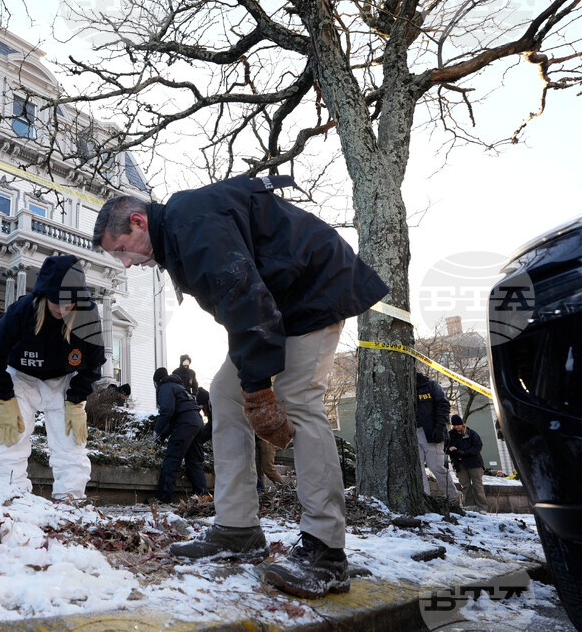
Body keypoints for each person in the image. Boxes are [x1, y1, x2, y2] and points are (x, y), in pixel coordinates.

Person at [93, 174, 388, 599]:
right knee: (226, 395)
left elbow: (243, 296)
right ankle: (237, 529)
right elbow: (240, 305)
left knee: (298, 401)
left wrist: (259, 388)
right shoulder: (177, 237)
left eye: (121, 249)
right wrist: (249, 385)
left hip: (313, 290)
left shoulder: (189, 225)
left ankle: (327, 551)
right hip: (273, 304)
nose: (124, 263)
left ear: (138, 222)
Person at [0, 255, 106, 499]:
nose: (62, 309)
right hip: (21, 379)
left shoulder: (87, 316)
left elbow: (94, 363)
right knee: (11, 439)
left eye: (69, 303)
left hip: (63, 383)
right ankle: (9, 496)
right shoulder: (23, 311)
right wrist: (5, 398)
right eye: (56, 302)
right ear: (44, 294)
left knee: (70, 444)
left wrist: (76, 399)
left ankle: (71, 500)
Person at [152, 368, 209, 503]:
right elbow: (174, 419)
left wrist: (157, 430)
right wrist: (160, 438)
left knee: (172, 458)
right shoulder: (179, 387)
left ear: (157, 381)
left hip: (185, 424)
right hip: (196, 421)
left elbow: (167, 411)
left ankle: (163, 498)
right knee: (194, 461)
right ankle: (203, 496)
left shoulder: (165, 387)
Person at [416, 372, 456, 500]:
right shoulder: (401, 387)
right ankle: (424, 498)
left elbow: (443, 405)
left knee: (436, 466)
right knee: (418, 468)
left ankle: (453, 497)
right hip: (412, 432)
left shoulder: (430, 385)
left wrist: (440, 427)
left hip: (430, 431)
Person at [447, 415, 489, 512]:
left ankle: (482, 507)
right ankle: (469, 506)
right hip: (459, 463)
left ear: (462, 424)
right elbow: (445, 447)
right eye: (455, 425)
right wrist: (449, 449)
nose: (457, 427)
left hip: (474, 462)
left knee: (477, 484)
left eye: (458, 425)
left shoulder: (471, 433)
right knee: (465, 485)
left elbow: (478, 446)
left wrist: (466, 452)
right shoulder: (450, 435)